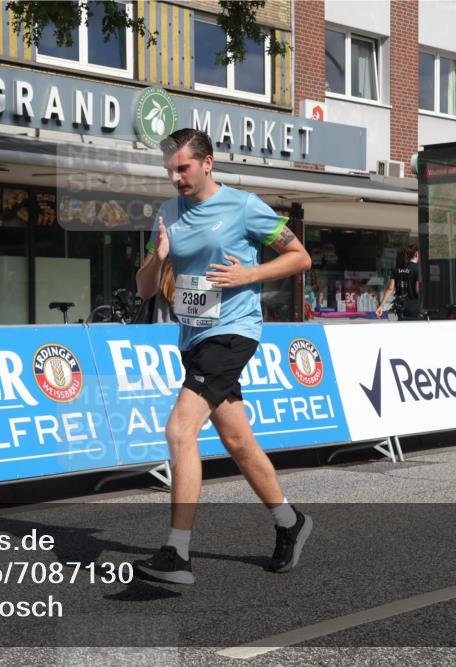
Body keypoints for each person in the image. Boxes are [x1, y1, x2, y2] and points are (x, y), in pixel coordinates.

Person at [132, 128, 314, 584]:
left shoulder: (243, 206)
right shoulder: (167, 213)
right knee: (237, 440)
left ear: (207, 163)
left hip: (233, 332)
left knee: (180, 429)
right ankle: (290, 521)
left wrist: (248, 274)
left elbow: (300, 257)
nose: (176, 177)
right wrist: (159, 257)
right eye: (170, 170)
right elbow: (145, 289)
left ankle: (177, 552)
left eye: (183, 168)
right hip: (193, 338)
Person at [375, 244, 421, 320]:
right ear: (416, 254)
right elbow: (418, 290)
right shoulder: (418, 269)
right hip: (415, 309)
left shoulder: (396, 270)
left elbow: (390, 289)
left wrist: (381, 305)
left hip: (400, 308)